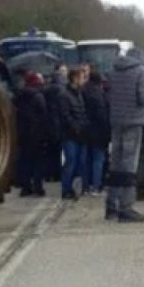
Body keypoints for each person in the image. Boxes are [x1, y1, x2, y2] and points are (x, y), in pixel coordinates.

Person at [106, 47, 144, 222]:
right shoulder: (141, 71)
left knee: (115, 163)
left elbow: (109, 96)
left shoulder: (113, 70)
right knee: (129, 165)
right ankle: (126, 207)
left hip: (115, 121)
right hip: (134, 121)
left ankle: (111, 206)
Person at [14, 71, 49, 197]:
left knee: (25, 161)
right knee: (38, 163)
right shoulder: (38, 96)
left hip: (23, 134)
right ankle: (38, 187)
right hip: (37, 134)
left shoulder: (19, 96)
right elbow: (44, 116)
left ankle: (26, 187)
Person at [58, 66, 89, 200]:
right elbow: (65, 115)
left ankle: (74, 187)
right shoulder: (64, 95)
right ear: (75, 78)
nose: (84, 80)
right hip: (70, 134)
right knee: (70, 161)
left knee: (79, 162)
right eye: (82, 77)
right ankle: (66, 189)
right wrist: (76, 127)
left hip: (81, 133)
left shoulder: (79, 93)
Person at [82, 66, 110, 196]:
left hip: (85, 130)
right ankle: (97, 186)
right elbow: (102, 115)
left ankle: (86, 186)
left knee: (87, 159)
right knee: (98, 159)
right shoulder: (98, 94)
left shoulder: (82, 91)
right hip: (98, 131)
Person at [43, 64, 68, 183]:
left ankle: (48, 174)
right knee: (58, 150)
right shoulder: (62, 89)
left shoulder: (46, 88)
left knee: (49, 151)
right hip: (58, 122)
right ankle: (57, 174)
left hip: (47, 123)